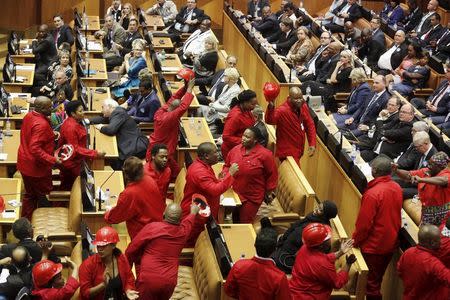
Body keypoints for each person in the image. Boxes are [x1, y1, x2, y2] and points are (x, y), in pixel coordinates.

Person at [352, 155, 403, 300]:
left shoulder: (373, 194)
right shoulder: (396, 187)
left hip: (374, 247)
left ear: (374, 170)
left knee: (371, 286)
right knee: (376, 282)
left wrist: (355, 241)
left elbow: (364, 225)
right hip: (390, 243)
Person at [125, 203, 200, 300]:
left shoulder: (152, 227)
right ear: (180, 220)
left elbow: (132, 249)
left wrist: (127, 275)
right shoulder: (183, 232)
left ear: (163, 215)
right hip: (169, 283)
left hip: (148, 280)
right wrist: (193, 212)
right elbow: (189, 222)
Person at [181, 142, 239, 247]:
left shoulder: (204, 165)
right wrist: (230, 174)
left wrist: (221, 179)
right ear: (206, 156)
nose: (218, 154)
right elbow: (215, 190)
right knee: (193, 243)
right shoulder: (200, 172)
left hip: (204, 210)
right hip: (197, 215)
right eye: (215, 152)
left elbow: (209, 184)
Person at [223, 127, 278, 223]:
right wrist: (225, 174)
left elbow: (272, 174)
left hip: (252, 196)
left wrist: (269, 192)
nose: (243, 138)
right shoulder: (235, 149)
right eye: (243, 135)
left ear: (255, 140)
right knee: (235, 220)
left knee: (244, 222)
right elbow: (227, 166)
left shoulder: (265, 154)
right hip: (235, 193)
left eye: (247, 137)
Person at [146, 72, 195, 177]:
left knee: (179, 173)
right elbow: (183, 107)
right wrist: (190, 89)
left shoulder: (162, 110)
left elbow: (173, 98)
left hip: (160, 148)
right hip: (161, 153)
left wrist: (185, 88)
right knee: (161, 175)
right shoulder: (169, 118)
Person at [17, 97, 59, 220]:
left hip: (24, 163)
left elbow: (32, 135)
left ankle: (26, 221)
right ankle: (43, 222)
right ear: (41, 108)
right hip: (37, 169)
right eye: (49, 107)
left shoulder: (29, 116)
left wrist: (51, 135)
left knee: (29, 195)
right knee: (43, 196)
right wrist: (53, 160)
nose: (52, 108)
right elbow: (35, 149)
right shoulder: (41, 125)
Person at [289, 223, 356, 298]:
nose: (330, 239)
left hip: (293, 293)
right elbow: (337, 283)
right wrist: (348, 264)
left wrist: (340, 252)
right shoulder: (323, 265)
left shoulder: (305, 248)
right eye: (328, 238)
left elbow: (320, 259)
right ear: (322, 245)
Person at [105, 156, 165, 239]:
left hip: (144, 235)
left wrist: (107, 213)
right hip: (158, 228)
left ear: (125, 173)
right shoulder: (150, 179)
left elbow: (114, 218)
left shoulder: (129, 193)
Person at [224, 227, 291, 300]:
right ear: (275, 249)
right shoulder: (279, 278)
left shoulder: (239, 266)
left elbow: (228, 290)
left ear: (255, 245)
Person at [272, 200, 338, 274]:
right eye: (318, 206)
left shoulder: (320, 231)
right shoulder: (312, 217)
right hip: (283, 248)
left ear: (325, 215)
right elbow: (295, 227)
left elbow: (310, 252)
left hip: (289, 259)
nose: (316, 209)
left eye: (320, 210)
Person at [79, 226, 138, 300]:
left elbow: (129, 278)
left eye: (104, 245)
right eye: (98, 245)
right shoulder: (87, 265)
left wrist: (128, 290)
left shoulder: (121, 258)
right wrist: (103, 285)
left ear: (113, 245)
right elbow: (85, 293)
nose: (100, 249)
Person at [58, 101, 105, 190]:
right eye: (80, 111)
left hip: (76, 161)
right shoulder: (70, 127)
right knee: (72, 188)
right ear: (73, 114)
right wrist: (95, 153)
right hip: (71, 164)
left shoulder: (75, 121)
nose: (83, 113)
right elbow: (74, 149)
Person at [394, 151, 450, 225]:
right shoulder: (426, 171)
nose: (428, 166)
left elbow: (444, 180)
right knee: (423, 232)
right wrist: (396, 170)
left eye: (432, 165)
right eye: (429, 163)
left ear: (440, 167)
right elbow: (408, 175)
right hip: (426, 210)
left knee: (436, 234)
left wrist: (421, 180)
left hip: (442, 214)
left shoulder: (446, 175)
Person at [265, 86, 316, 164]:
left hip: (298, 150)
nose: (299, 101)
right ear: (289, 98)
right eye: (296, 99)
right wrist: (271, 107)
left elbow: (309, 124)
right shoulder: (282, 110)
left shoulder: (303, 106)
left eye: (300, 98)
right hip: (287, 154)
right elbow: (270, 120)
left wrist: (312, 143)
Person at [397, 224, 450, 299]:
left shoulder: (408, 252)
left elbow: (399, 270)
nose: (441, 242)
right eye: (439, 239)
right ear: (432, 243)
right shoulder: (432, 263)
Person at [92, 99, 149, 168]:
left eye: (103, 107)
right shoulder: (117, 112)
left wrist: (101, 127)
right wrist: (86, 120)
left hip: (136, 147)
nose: (102, 110)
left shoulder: (118, 113)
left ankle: (121, 177)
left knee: (114, 162)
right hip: (133, 144)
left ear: (110, 106)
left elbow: (111, 130)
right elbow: (103, 119)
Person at [221, 90, 258, 159]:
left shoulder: (247, 110)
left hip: (244, 147)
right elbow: (226, 137)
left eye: (255, 104)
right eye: (252, 104)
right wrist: (245, 141)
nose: (254, 107)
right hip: (232, 150)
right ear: (244, 102)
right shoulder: (235, 116)